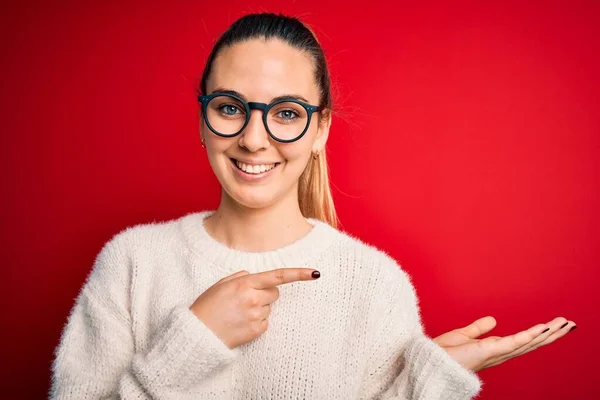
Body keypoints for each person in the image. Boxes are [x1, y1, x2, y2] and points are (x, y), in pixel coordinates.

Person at [50, 12, 576, 400]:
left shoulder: (372, 281)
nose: (254, 139)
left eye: (286, 113)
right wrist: (192, 342)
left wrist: (427, 381)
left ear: (321, 127)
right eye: (230, 108)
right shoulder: (132, 263)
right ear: (203, 118)